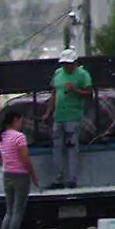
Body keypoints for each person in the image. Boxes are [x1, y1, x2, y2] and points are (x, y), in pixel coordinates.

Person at [44, 48, 92, 189]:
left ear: (75, 63)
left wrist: (75, 90)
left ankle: (72, 178)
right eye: (64, 64)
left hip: (73, 117)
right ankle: (58, 177)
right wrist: (48, 112)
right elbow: (54, 94)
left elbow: (89, 94)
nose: (66, 66)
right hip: (58, 116)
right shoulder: (58, 74)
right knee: (57, 147)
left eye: (69, 63)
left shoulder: (83, 75)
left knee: (72, 147)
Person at [0, 110, 37, 229]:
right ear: (15, 120)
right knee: (18, 211)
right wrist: (33, 174)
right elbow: (25, 159)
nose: (22, 124)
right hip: (20, 176)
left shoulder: (2, 137)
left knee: (9, 211)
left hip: (7, 175)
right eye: (21, 121)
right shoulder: (19, 137)